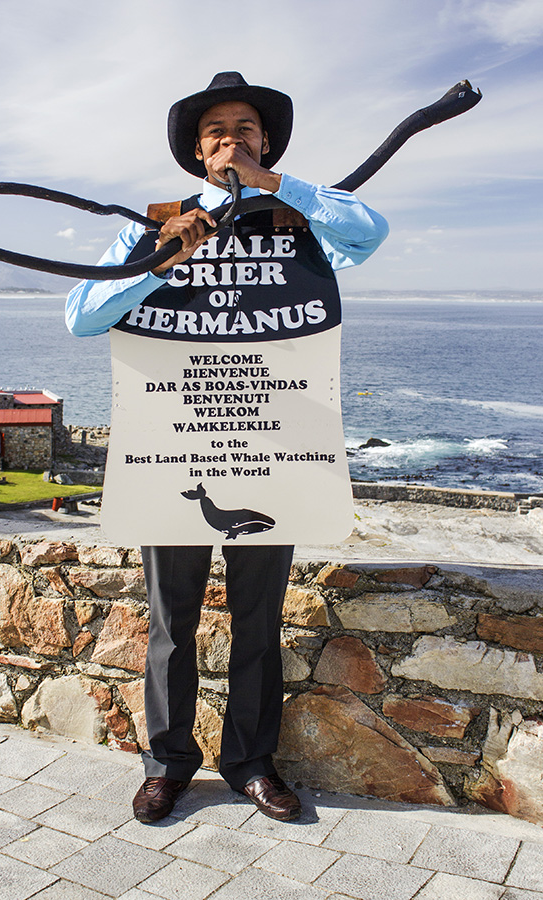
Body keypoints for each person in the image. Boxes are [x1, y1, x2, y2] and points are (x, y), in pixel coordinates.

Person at [66, 72, 388, 823]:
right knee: (171, 626)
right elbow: (82, 315)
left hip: (268, 450)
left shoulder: (297, 217)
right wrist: (158, 264)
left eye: (245, 128)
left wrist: (278, 185)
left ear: (265, 141)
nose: (230, 139)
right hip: (174, 447)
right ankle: (168, 763)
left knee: (258, 620)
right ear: (197, 150)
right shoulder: (158, 223)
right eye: (216, 131)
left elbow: (367, 233)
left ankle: (250, 762)